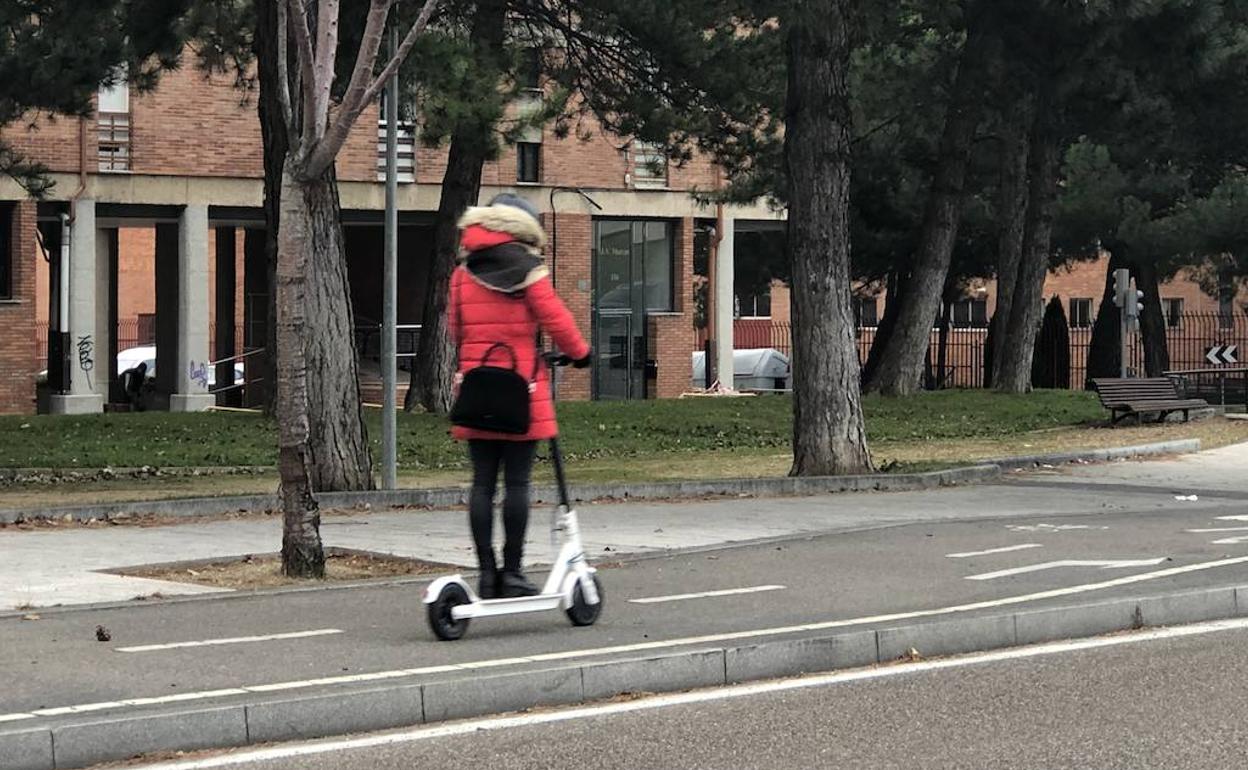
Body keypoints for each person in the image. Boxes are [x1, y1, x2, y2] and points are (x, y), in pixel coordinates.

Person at [449, 193, 591, 599]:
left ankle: (486, 574)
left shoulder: (463, 272)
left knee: (481, 485)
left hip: (477, 389)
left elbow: (454, 328)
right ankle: (512, 573)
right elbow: (556, 319)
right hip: (521, 391)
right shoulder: (528, 269)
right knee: (517, 483)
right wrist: (580, 354)